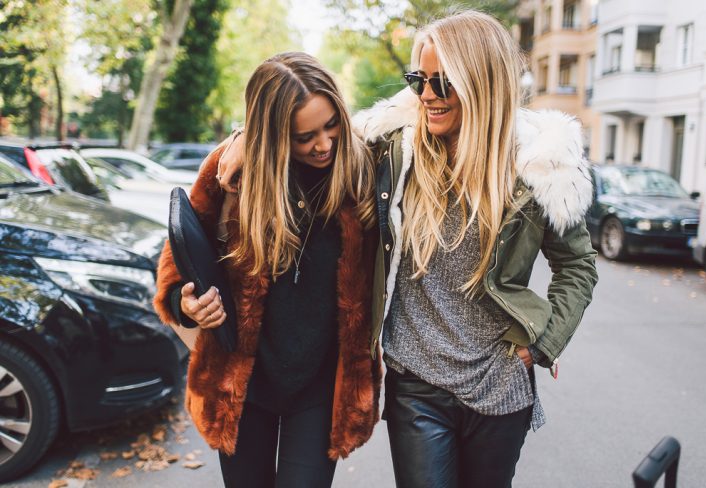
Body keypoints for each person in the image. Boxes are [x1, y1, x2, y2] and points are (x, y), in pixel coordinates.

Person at [351, 11, 599, 488]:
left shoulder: (538, 168)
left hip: (500, 385)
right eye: (418, 80)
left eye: (442, 84)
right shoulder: (398, 152)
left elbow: (578, 264)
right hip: (416, 380)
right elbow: (311, 144)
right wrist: (240, 141)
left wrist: (543, 345)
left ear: (482, 84)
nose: (426, 96)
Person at [153, 51, 381, 488]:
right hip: (241, 385)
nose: (324, 144)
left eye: (332, 124)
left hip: (321, 388)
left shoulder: (360, 171)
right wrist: (187, 303)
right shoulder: (228, 172)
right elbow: (177, 265)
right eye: (305, 136)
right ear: (272, 136)